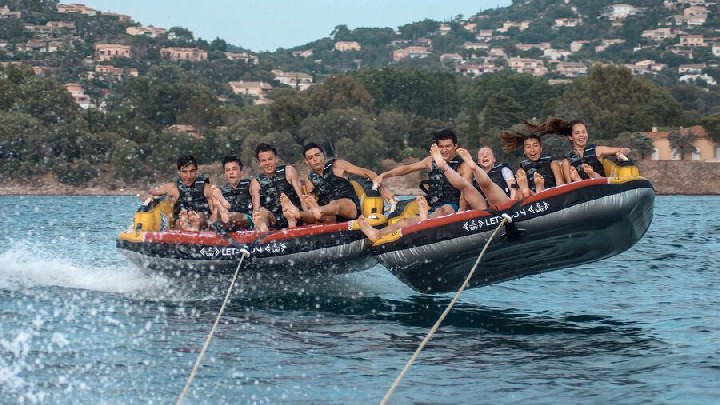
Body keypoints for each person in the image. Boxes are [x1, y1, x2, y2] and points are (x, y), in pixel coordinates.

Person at [358, 144, 510, 242]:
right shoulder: (467, 172)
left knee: (486, 186)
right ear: (477, 159)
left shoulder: (503, 170)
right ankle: (377, 234)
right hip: (481, 208)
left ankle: (444, 168)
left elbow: (516, 192)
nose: (484, 156)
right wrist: (385, 174)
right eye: (481, 154)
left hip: (500, 205)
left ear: (494, 158)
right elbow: (465, 191)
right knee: (405, 221)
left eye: (487, 154)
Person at [281, 142, 395, 227]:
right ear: (306, 161)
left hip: (350, 207)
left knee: (335, 204)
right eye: (310, 158)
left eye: (317, 155)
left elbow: (369, 173)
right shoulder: (309, 180)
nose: (315, 160)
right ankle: (295, 215)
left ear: (323, 155)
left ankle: (317, 211)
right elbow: (309, 201)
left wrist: (383, 191)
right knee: (315, 214)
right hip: (331, 215)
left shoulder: (337, 165)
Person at [374, 129, 472, 215]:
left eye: (448, 146)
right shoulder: (430, 161)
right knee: (399, 212)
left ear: (455, 146)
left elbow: (466, 190)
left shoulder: (463, 165)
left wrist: (461, 210)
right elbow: (407, 168)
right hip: (431, 204)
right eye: (441, 146)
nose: (444, 150)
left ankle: (424, 220)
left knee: (444, 210)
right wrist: (384, 175)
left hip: (452, 206)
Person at [532, 118, 632, 182]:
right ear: (571, 137)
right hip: (583, 195)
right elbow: (569, 185)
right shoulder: (567, 162)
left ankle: (590, 175)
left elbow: (627, 149)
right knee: (577, 179)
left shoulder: (598, 151)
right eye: (577, 133)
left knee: (596, 177)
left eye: (584, 132)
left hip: (602, 187)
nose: (582, 135)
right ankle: (580, 179)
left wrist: (620, 153)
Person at [139, 155, 212, 232]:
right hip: (181, 220)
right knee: (179, 220)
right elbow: (151, 193)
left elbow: (215, 212)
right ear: (179, 172)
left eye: (192, 171)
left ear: (196, 170)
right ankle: (188, 226)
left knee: (200, 216)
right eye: (184, 172)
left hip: (202, 221)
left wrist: (211, 224)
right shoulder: (172, 188)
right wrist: (149, 198)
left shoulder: (207, 188)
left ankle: (194, 225)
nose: (188, 176)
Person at [249, 143, 305, 232]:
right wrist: (257, 219)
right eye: (263, 160)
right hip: (274, 220)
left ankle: (291, 219)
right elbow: (256, 208)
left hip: (294, 212)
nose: (267, 163)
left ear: (276, 159)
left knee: (291, 210)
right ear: (259, 163)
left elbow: (302, 197)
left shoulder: (288, 170)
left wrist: (308, 218)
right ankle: (263, 226)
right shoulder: (256, 182)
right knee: (262, 211)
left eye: (270, 159)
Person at [500, 123, 564, 196]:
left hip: (552, 192)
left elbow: (560, 183)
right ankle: (531, 190)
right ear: (524, 151)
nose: (532, 150)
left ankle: (540, 189)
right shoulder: (521, 170)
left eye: (535, 145)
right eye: (528, 147)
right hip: (532, 196)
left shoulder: (552, 163)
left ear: (541, 148)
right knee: (521, 189)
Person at [209, 155, 253, 231]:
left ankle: (225, 214)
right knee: (217, 215)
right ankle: (223, 213)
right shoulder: (220, 190)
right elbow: (214, 216)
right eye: (228, 170)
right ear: (225, 174)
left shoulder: (250, 185)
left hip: (247, 219)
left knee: (231, 216)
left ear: (241, 171)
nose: (231, 173)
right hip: (228, 223)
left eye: (234, 169)